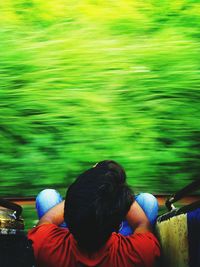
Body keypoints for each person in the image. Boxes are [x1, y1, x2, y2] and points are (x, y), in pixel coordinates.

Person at [28, 160, 160, 267]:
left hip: (70, 241)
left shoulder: (44, 245)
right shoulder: (140, 253)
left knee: (47, 196)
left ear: (67, 215)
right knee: (148, 200)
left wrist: (85, 196)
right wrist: (115, 190)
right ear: (117, 227)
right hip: (108, 239)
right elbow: (142, 223)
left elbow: (48, 218)